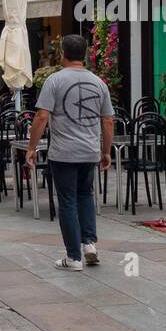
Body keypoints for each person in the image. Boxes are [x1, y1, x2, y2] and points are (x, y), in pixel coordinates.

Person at [25, 33, 114, 271]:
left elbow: (42, 116)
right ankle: (90, 245)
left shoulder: (54, 80)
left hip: (63, 152)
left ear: (62, 53)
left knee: (67, 201)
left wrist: (32, 147)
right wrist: (106, 151)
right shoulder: (98, 83)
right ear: (84, 54)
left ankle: (73, 257)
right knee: (85, 195)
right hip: (89, 151)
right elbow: (108, 121)